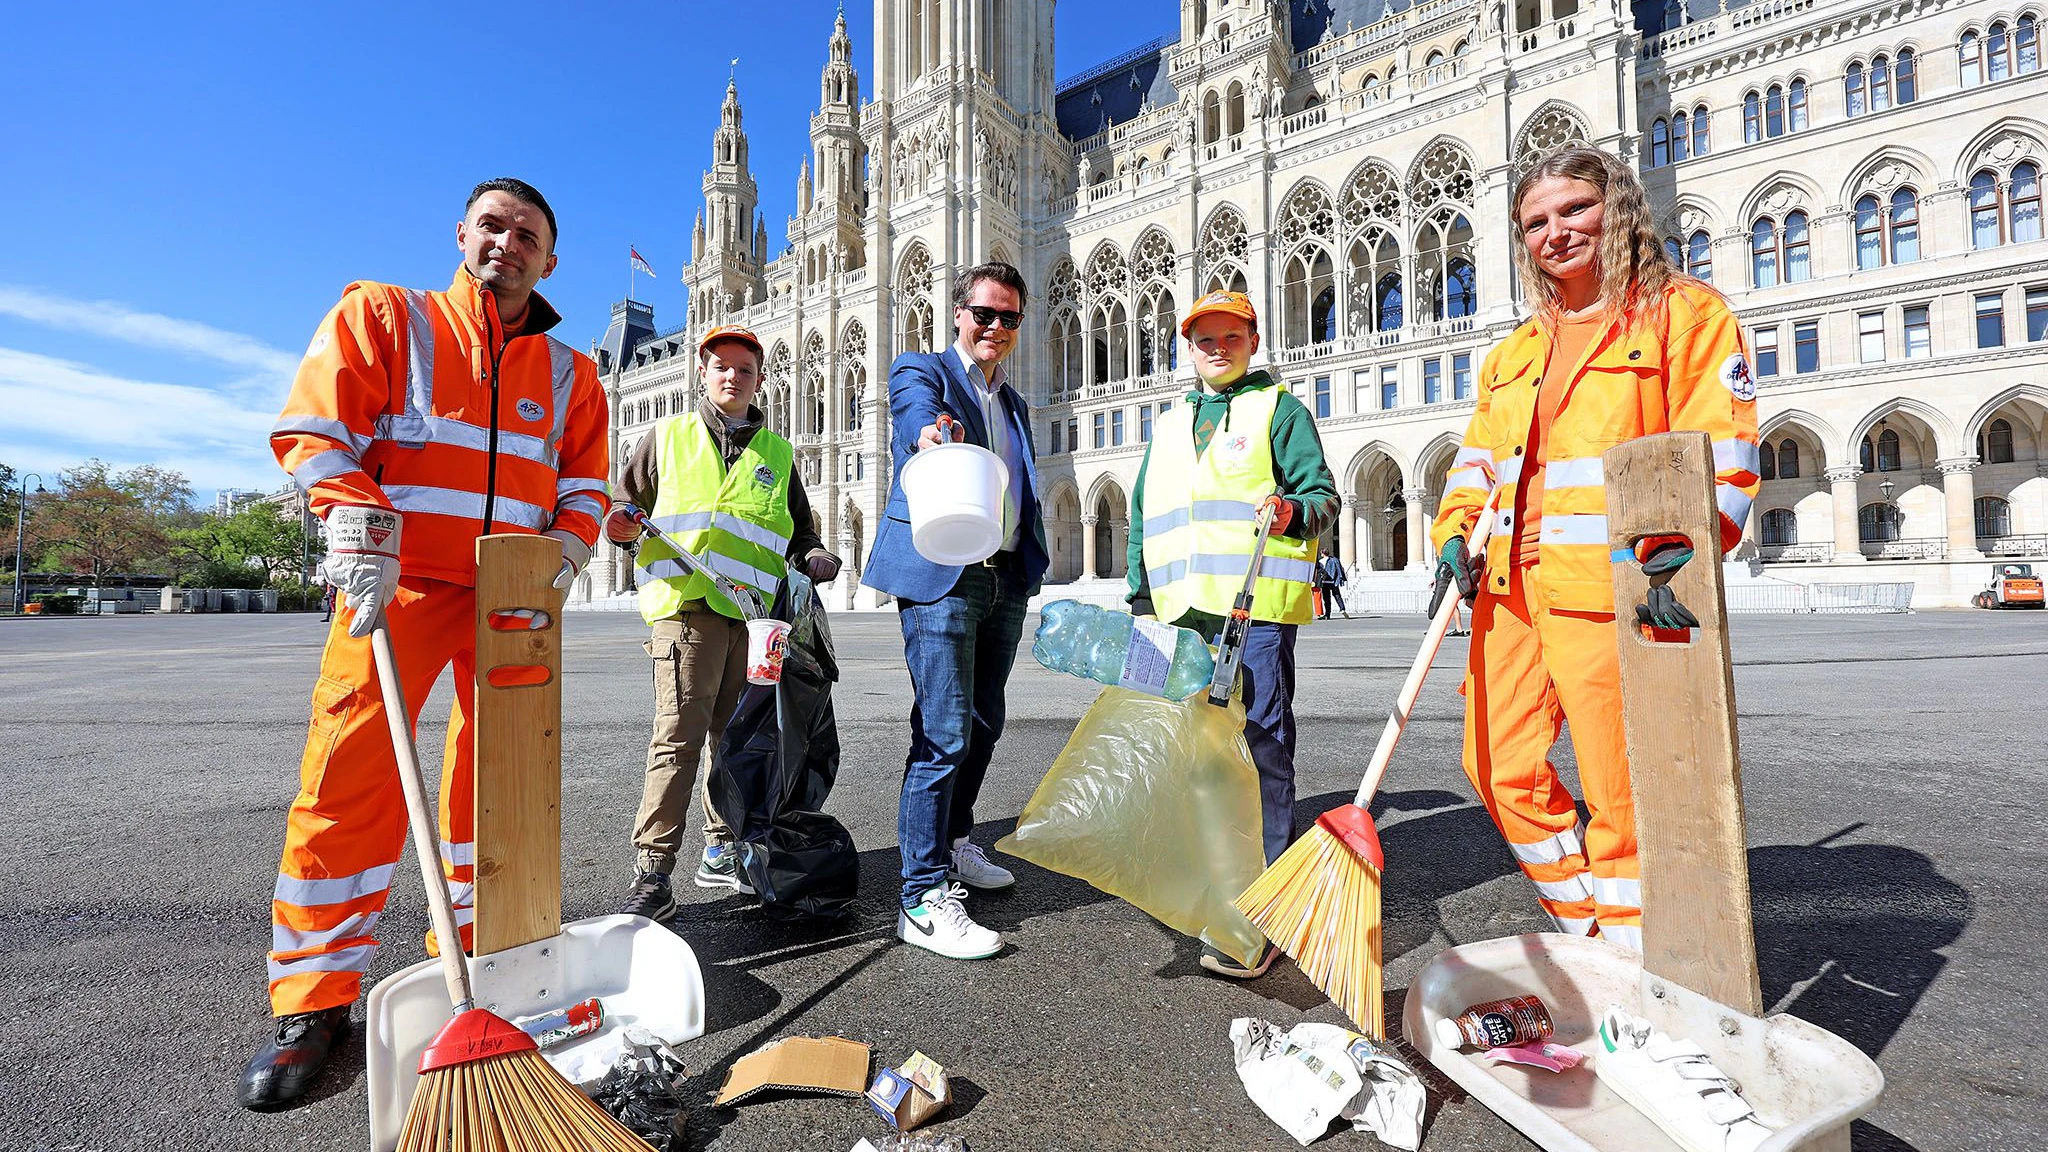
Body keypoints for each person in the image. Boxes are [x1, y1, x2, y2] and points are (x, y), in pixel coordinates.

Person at [240, 178, 610, 1111]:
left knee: (502, 786)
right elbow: (315, 431)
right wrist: (355, 522)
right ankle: (315, 1001)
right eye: (493, 226)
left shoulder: (573, 373)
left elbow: (584, 483)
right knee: (350, 779)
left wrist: (567, 549)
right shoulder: (385, 318)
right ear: (461, 234)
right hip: (396, 581)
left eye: (527, 235)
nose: (507, 244)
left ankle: (482, 954)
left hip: (508, 590)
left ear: (549, 261)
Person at [1427, 146, 1759, 953]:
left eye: (1575, 208)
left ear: (1619, 208)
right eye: (1535, 221)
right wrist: (1451, 535)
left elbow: (1724, 460)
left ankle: (1635, 954)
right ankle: (1587, 927)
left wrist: (1669, 575)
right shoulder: (1515, 350)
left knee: (1623, 786)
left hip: (1616, 586)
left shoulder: (1685, 315)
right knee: (1498, 769)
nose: (1557, 231)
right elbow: (1476, 466)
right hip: (1510, 587)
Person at [1125, 289, 1339, 979]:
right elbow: (1144, 518)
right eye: (1204, 339)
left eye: (1231, 337)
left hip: (1257, 614)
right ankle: (1219, 882)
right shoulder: (1167, 426)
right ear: (1187, 349)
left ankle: (1266, 909)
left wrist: (1291, 511)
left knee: (1263, 748)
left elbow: (1323, 497)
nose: (1218, 348)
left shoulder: (1280, 409)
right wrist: (1140, 600)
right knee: (1201, 757)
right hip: (1182, 617)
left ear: (1252, 341)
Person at [606, 323, 841, 921]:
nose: (733, 376)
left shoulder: (778, 454)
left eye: (745, 369)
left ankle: (721, 846)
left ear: (760, 380)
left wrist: (815, 555)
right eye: (722, 366)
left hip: (753, 620)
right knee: (678, 738)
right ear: (702, 374)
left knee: (736, 741)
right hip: (687, 609)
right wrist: (620, 526)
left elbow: (800, 531)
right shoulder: (668, 436)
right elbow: (623, 506)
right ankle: (654, 871)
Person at [862, 261, 1049, 961]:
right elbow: (915, 413)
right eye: (985, 314)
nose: (996, 327)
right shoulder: (924, 371)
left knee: (983, 723)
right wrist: (930, 434)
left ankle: (956, 842)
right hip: (943, 574)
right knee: (942, 732)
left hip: (1003, 576)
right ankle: (920, 896)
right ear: (959, 314)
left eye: (1010, 318)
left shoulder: (1015, 403)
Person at [1315, 550, 1350, 619]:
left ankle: (1327, 615)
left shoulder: (1321, 561)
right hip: (1333, 581)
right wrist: (1340, 579)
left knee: (1327, 599)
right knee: (1337, 596)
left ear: (1322, 554)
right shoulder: (1334, 560)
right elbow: (1339, 569)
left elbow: (1319, 571)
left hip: (1325, 582)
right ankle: (1342, 609)